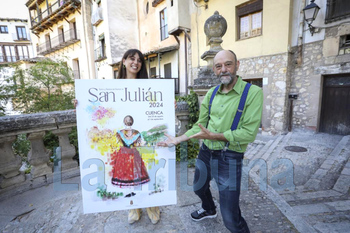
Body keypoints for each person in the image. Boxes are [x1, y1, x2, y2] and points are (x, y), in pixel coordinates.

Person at [158, 50, 263, 233]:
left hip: (230, 157)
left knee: (230, 218)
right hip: (206, 152)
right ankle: (208, 208)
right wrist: (178, 139)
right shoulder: (211, 94)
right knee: (198, 187)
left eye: (228, 64)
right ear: (214, 70)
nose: (224, 69)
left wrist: (217, 136)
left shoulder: (253, 93)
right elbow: (200, 126)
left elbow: (249, 133)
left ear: (237, 65)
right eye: (218, 66)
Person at [75, 49, 160, 225]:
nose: (135, 62)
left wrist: (168, 105)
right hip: (124, 149)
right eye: (131, 59)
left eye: (139, 60)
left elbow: (157, 109)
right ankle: (133, 208)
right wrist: (80, 103)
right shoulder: (112, 87)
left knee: (140, 173)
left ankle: (152, 206)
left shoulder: (150, 86)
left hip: (137, 145)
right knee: (127, 175)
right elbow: (96, 108)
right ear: (123, 61)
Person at [110, 115, 150, 187]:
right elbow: (140, 143)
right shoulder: (137, 133)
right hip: (133, 152)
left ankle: (127, 188)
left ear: (124, 122)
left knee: (124, 168)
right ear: (132, 122)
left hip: (123, 152)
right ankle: (132, 188)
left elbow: (116, 143)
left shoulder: (120, 132)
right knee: (133, 168)